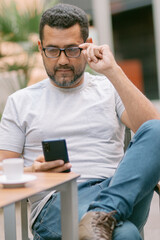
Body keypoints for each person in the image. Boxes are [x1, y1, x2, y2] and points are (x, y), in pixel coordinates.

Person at [0, 3, 160, 240]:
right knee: (124, 234)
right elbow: (3, 172)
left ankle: (103, 213)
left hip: (118, 188)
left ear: (88, 45)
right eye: (53, 50)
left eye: (72, 50)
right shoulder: (20, 102)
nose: (62, 60)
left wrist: (113, 71)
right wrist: (34, 171)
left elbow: (151, 131)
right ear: (40, 48)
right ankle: (104, 216)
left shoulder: (109, 87)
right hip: (56, 200)